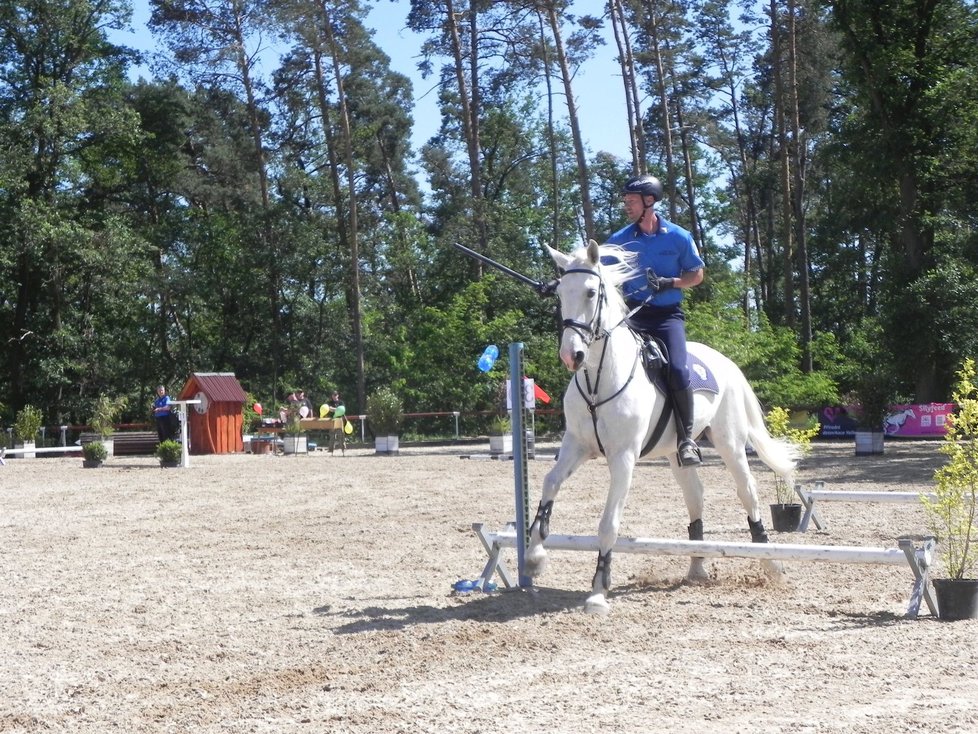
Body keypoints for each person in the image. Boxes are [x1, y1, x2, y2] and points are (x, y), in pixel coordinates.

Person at [605, 174, 706, 467]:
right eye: (626, 201)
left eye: (632, 201)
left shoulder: (678, 236)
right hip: (633, 316)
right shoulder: (619, 240)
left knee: (676, 367)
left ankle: (686, 440)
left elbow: (696, 275)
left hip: (666, 317)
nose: (627, 206)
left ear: (650, 202)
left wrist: (671, 282)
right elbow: (597, 272)